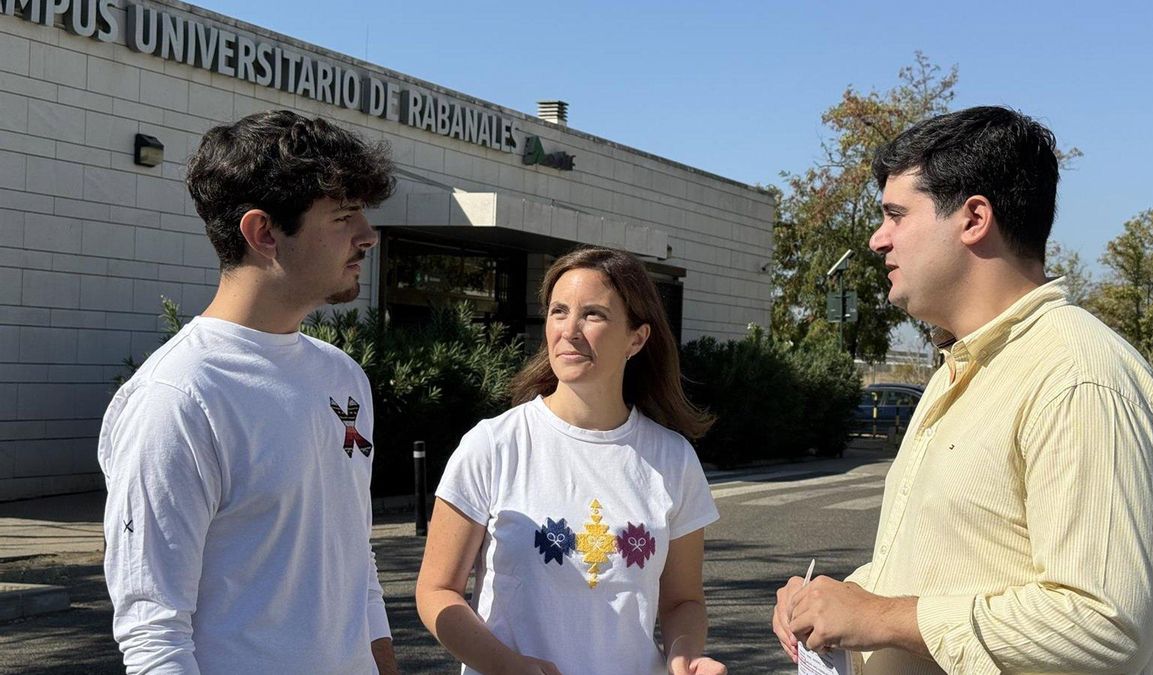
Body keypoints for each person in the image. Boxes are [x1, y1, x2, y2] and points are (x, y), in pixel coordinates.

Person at [772, 106, 1153, 673]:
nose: (876, 239)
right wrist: (831, 603)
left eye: (895, 215)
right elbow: (947, 570)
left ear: (973, 218)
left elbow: (1104, 625)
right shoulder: (959, 370)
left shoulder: (1078, 376)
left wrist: (883, 618)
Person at [98, 110, 400, 674]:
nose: (368, 236)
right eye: (342, 217)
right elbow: (152, 631)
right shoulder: (178, 398)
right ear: (263, 233)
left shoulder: (342, 376)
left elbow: (354, 564)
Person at [416, 247, 726, 675]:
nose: (570, 330)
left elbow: (682, 601)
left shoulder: (673, 459)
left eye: (593, 315)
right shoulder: (493, 444)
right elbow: (436, 590)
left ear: (636, 338)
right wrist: (504, 665)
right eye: (559, 311)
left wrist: (685, 654)